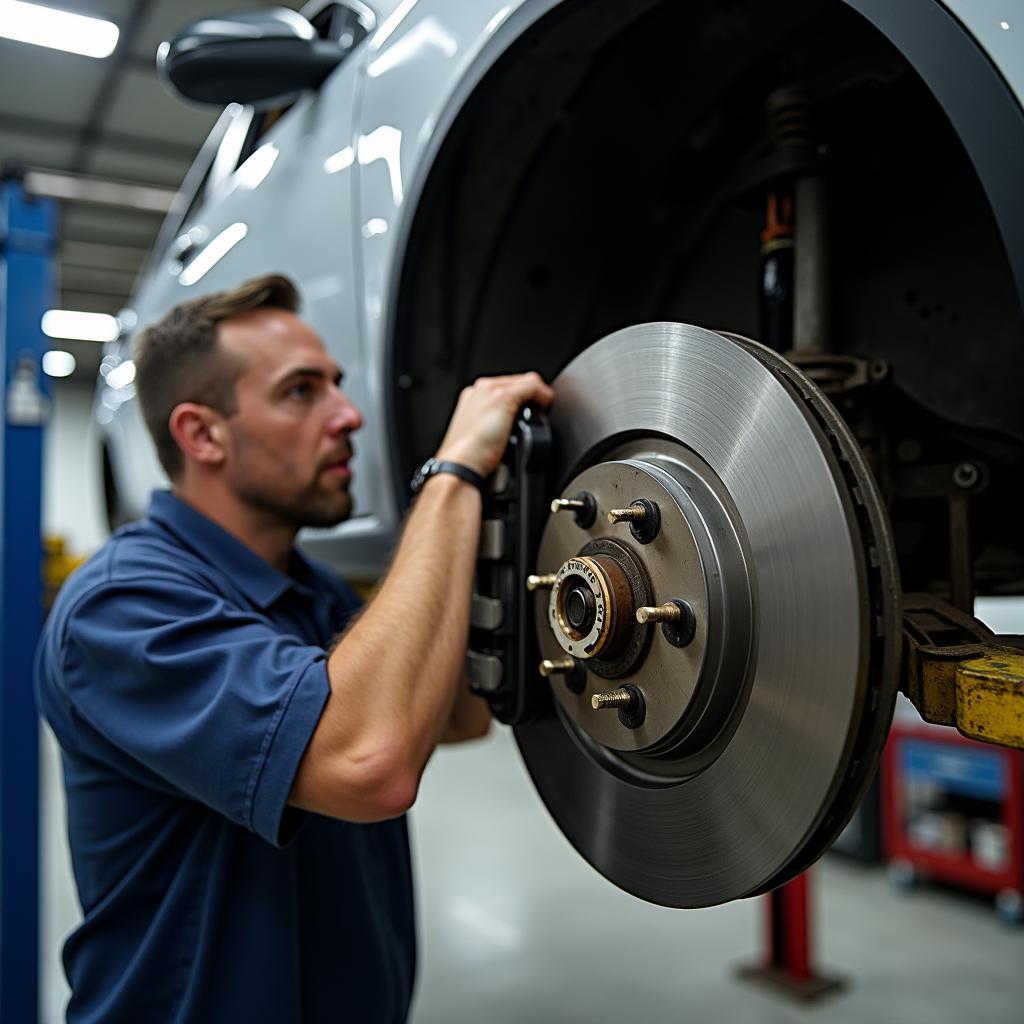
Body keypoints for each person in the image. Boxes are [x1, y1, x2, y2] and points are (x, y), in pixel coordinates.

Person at [35, 273, 554, 1023]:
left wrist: (497, 518)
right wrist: (451, 476)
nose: (348, 416)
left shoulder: (314, 591)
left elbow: (459, 719)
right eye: (301, 392)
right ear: (201, 434)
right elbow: (369, 760)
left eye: (337, 386)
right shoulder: (121, 606)